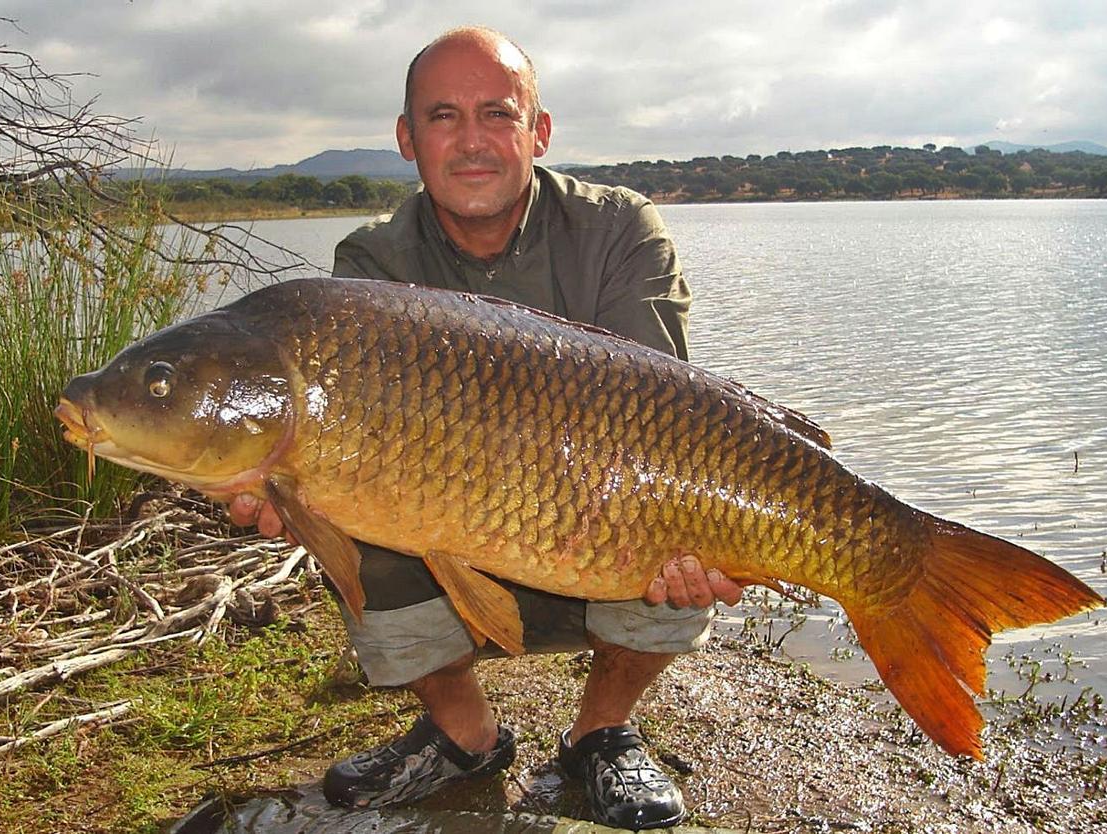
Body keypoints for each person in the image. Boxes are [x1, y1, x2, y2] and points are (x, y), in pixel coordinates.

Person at [229, 26, 743, 830]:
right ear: (407, 138)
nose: (472, 141)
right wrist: (284, 491)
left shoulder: (620, 231)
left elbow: (665, 422)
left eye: (497, 114)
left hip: (596, 528)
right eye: (442, 116)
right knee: (340, 499)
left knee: (678, 513)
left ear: (538, 130)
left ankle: (600, 732)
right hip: (459, 539)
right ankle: (463, 733)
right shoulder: (370, 266)